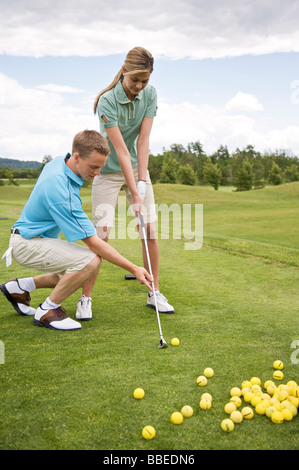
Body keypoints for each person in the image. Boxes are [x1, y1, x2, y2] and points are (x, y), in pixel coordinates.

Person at [0, 130, 153, 331]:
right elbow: (94, 243)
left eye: (100, 167)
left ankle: (19, 288)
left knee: (76, 273)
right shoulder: (61, 191)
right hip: (27, 243)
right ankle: (48, 310)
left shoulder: (59, 162)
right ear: (77, 157)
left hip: (30, 239)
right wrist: (134, 268)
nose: (97, 173)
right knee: (90, 261)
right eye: (93, 167)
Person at [87, 46, 174, 317]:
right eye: (135, 79)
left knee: (148, 230)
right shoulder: (107, 100)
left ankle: (154, 292)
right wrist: (135, 193)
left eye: (144, 81)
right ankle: (85, 297)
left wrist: (142, 181)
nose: (139, 86)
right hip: (108, 172)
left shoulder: (150, 94)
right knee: (101, 235)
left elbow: (143, 140)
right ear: (124, 71)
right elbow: (121, 149)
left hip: (137, 170)